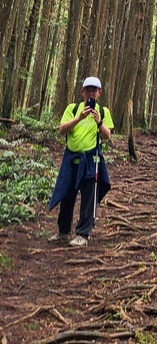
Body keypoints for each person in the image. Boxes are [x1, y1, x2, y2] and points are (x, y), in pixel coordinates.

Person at [49, 76, 114, 246]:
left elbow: (107, 136)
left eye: (94, 90)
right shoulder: (73, 108)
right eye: (88, 90)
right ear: (82, 92)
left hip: (91, 160)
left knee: (88, 197)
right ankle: (63, 231)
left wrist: (98, 121)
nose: (91, 93)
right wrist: (79, 117)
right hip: (71, 159)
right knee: (67, 194)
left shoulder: (103, 111)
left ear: (99, 93)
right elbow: (62, 129)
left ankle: (83, 234)